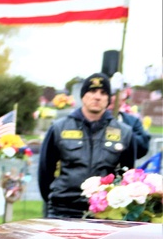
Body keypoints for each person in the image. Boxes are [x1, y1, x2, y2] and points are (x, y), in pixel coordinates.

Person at [39, 73, 135, 219]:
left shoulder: (124, 133)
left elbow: (127, 174)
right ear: (83, 96)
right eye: (92, 91)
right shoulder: (59, 128)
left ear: (108, 99)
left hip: (104, 213)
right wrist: (53, 200)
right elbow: (45, 171)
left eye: (103, 93)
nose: (97, 97)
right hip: (63, 210)